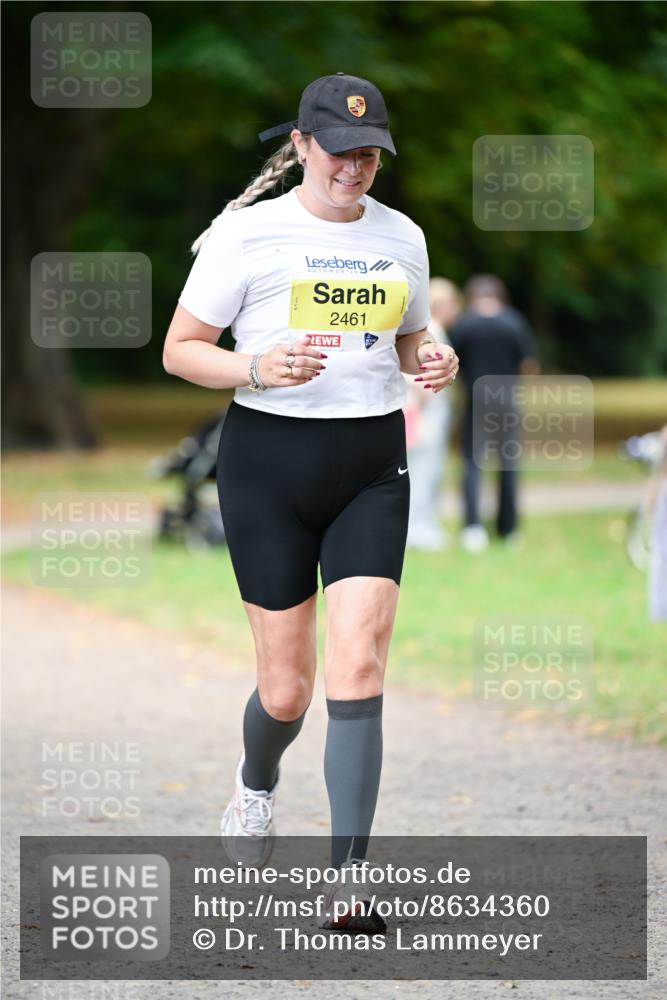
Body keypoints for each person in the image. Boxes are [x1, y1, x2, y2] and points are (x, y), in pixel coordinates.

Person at [162, 73, 459, 932]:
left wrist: (428, 360)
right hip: (268, 462)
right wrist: (257, 366)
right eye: (339, 149)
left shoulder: (402, 237)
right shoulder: (247, 237)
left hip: (371, 462)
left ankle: (348, 881)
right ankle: (256, 786)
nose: (355, 167)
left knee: (358, 665)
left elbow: (405, 341)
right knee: (287, 691)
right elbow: (182, 351)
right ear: (299, 145)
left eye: (370, 153)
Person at [447, 274, 539, 552]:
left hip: (475, 399)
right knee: (508, 465)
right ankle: (507, 528)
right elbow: (529, 365)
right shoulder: (514, 321)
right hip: (507, 400)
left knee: (472, 465)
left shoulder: (464, 323)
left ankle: (473, 527)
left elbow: (451, 361)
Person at [404, 278, 462, 550]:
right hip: (424, 413)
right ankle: (418, 528)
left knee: (430, 470)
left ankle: (424, 524)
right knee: (423, 470)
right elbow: (417, 376)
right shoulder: (431, 332)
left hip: (430, 412)